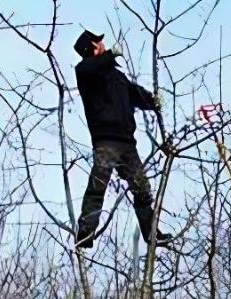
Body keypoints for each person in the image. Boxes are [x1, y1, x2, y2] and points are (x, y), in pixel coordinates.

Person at [72, 30, 173, 248]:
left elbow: (133, 93)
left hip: (127, 142)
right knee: (98, 186)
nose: (103, 42)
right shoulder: (86, 72)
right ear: (93, 46)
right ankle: (86, 233)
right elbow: (89, 67)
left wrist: (152, 100)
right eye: (98, 41)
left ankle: (152, 234)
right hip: (106, 140)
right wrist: (110, 56)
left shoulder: (116, 76)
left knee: (142, 189)